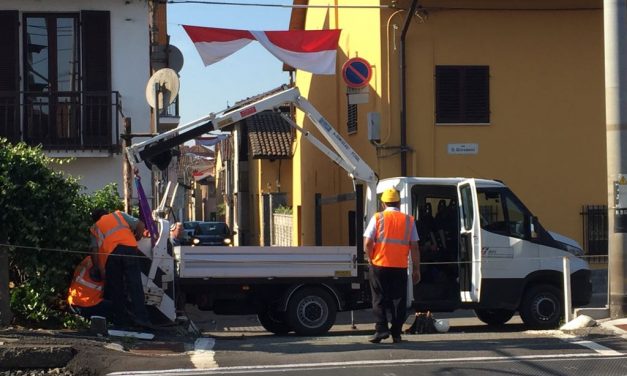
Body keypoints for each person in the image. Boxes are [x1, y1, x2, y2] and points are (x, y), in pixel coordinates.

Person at [363, 188, 420, 344]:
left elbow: (368, 242)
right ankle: (396, 333)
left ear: (383, 203)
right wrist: (416, 269)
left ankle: (381, 330)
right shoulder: (408, 220)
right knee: (398, 301)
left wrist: (370, 257)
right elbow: (414, 247)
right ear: (399, 203)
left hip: (379, 265)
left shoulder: (378, 218)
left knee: (379, 298)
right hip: (400, 267)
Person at [90, 208, 152, 329]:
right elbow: (140, 225)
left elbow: (94, 251)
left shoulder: (95, 227)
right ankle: (142, 319)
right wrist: (137, 238)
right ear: (106, 213)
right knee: (135, 285)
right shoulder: (119, 215)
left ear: (95, 218)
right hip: (129, 250)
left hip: (112, 256)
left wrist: (98, 268)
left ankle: (121, 321)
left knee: (117, 289)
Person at [67, 256, 113, 322]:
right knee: (117, 305)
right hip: (89, 306)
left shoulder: (88, 259)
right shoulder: (103, 264)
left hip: (73, 303)